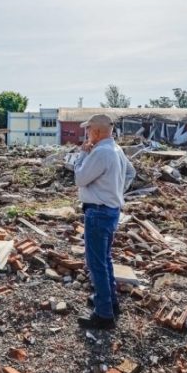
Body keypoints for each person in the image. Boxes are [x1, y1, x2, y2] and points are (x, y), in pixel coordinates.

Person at [74, 114, 136, 330]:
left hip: (98, 213)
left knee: (96, 263)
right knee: (105, 259)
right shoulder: (115, 149)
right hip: (110, 211)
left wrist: (82, 155)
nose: (86, 134)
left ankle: (104, 315)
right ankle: (109, 301)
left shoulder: (100, 152)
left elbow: (80, 178)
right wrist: (116, 192)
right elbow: (131, 172)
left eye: (88, 129)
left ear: (97, 131)